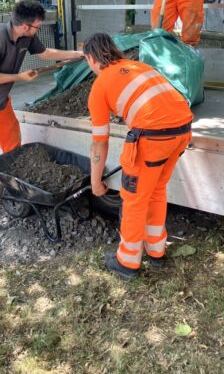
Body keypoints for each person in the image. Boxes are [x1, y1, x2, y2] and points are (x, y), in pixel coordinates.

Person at [0, 0, 84, 238]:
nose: (37, 30)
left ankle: (13, 192)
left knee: (13, 149)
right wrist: (19, 77)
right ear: (24, 26)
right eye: (36, 27)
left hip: (1, 104)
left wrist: (80, 54)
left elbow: (46, 53)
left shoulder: (26, 37)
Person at [83, 33, 193, 280]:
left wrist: (95, 182)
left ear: (91, 59)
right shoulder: (139, 66)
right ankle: (156, 251)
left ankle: (127, 262)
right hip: (182, 130)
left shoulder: (100, 85)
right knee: (156, 190)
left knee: (133, 198)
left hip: (153, 139)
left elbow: (99, 143)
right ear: (113, 50)